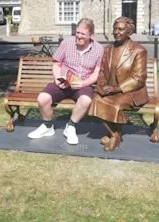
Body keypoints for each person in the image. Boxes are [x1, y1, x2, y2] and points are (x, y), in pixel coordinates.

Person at [27, 18, 104, 145]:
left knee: (86, 100)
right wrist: (57, 79)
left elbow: (97, 72)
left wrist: (84, 83)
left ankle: (71, 126)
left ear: (91, 35)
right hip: (63, 82)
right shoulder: (67, 43)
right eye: (77, 32)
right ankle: (47, 127)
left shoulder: (99, 49)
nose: (78, 36)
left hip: (83, 84)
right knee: (42, 98)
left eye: (83, 34)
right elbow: (56, 63)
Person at [88, 16, 149, 151]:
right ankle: (114, 134)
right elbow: (102, 71)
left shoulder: (139, 50)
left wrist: (116, 88)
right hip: (111, 89)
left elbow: (139, 78)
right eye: (115, 29)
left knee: (116, 105)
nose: (116, 32)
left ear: (129, 32)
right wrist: (102, 85)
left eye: (120, 29)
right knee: (95, 101)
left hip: (131, 92)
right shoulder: (108, 49)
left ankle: (115, 138)